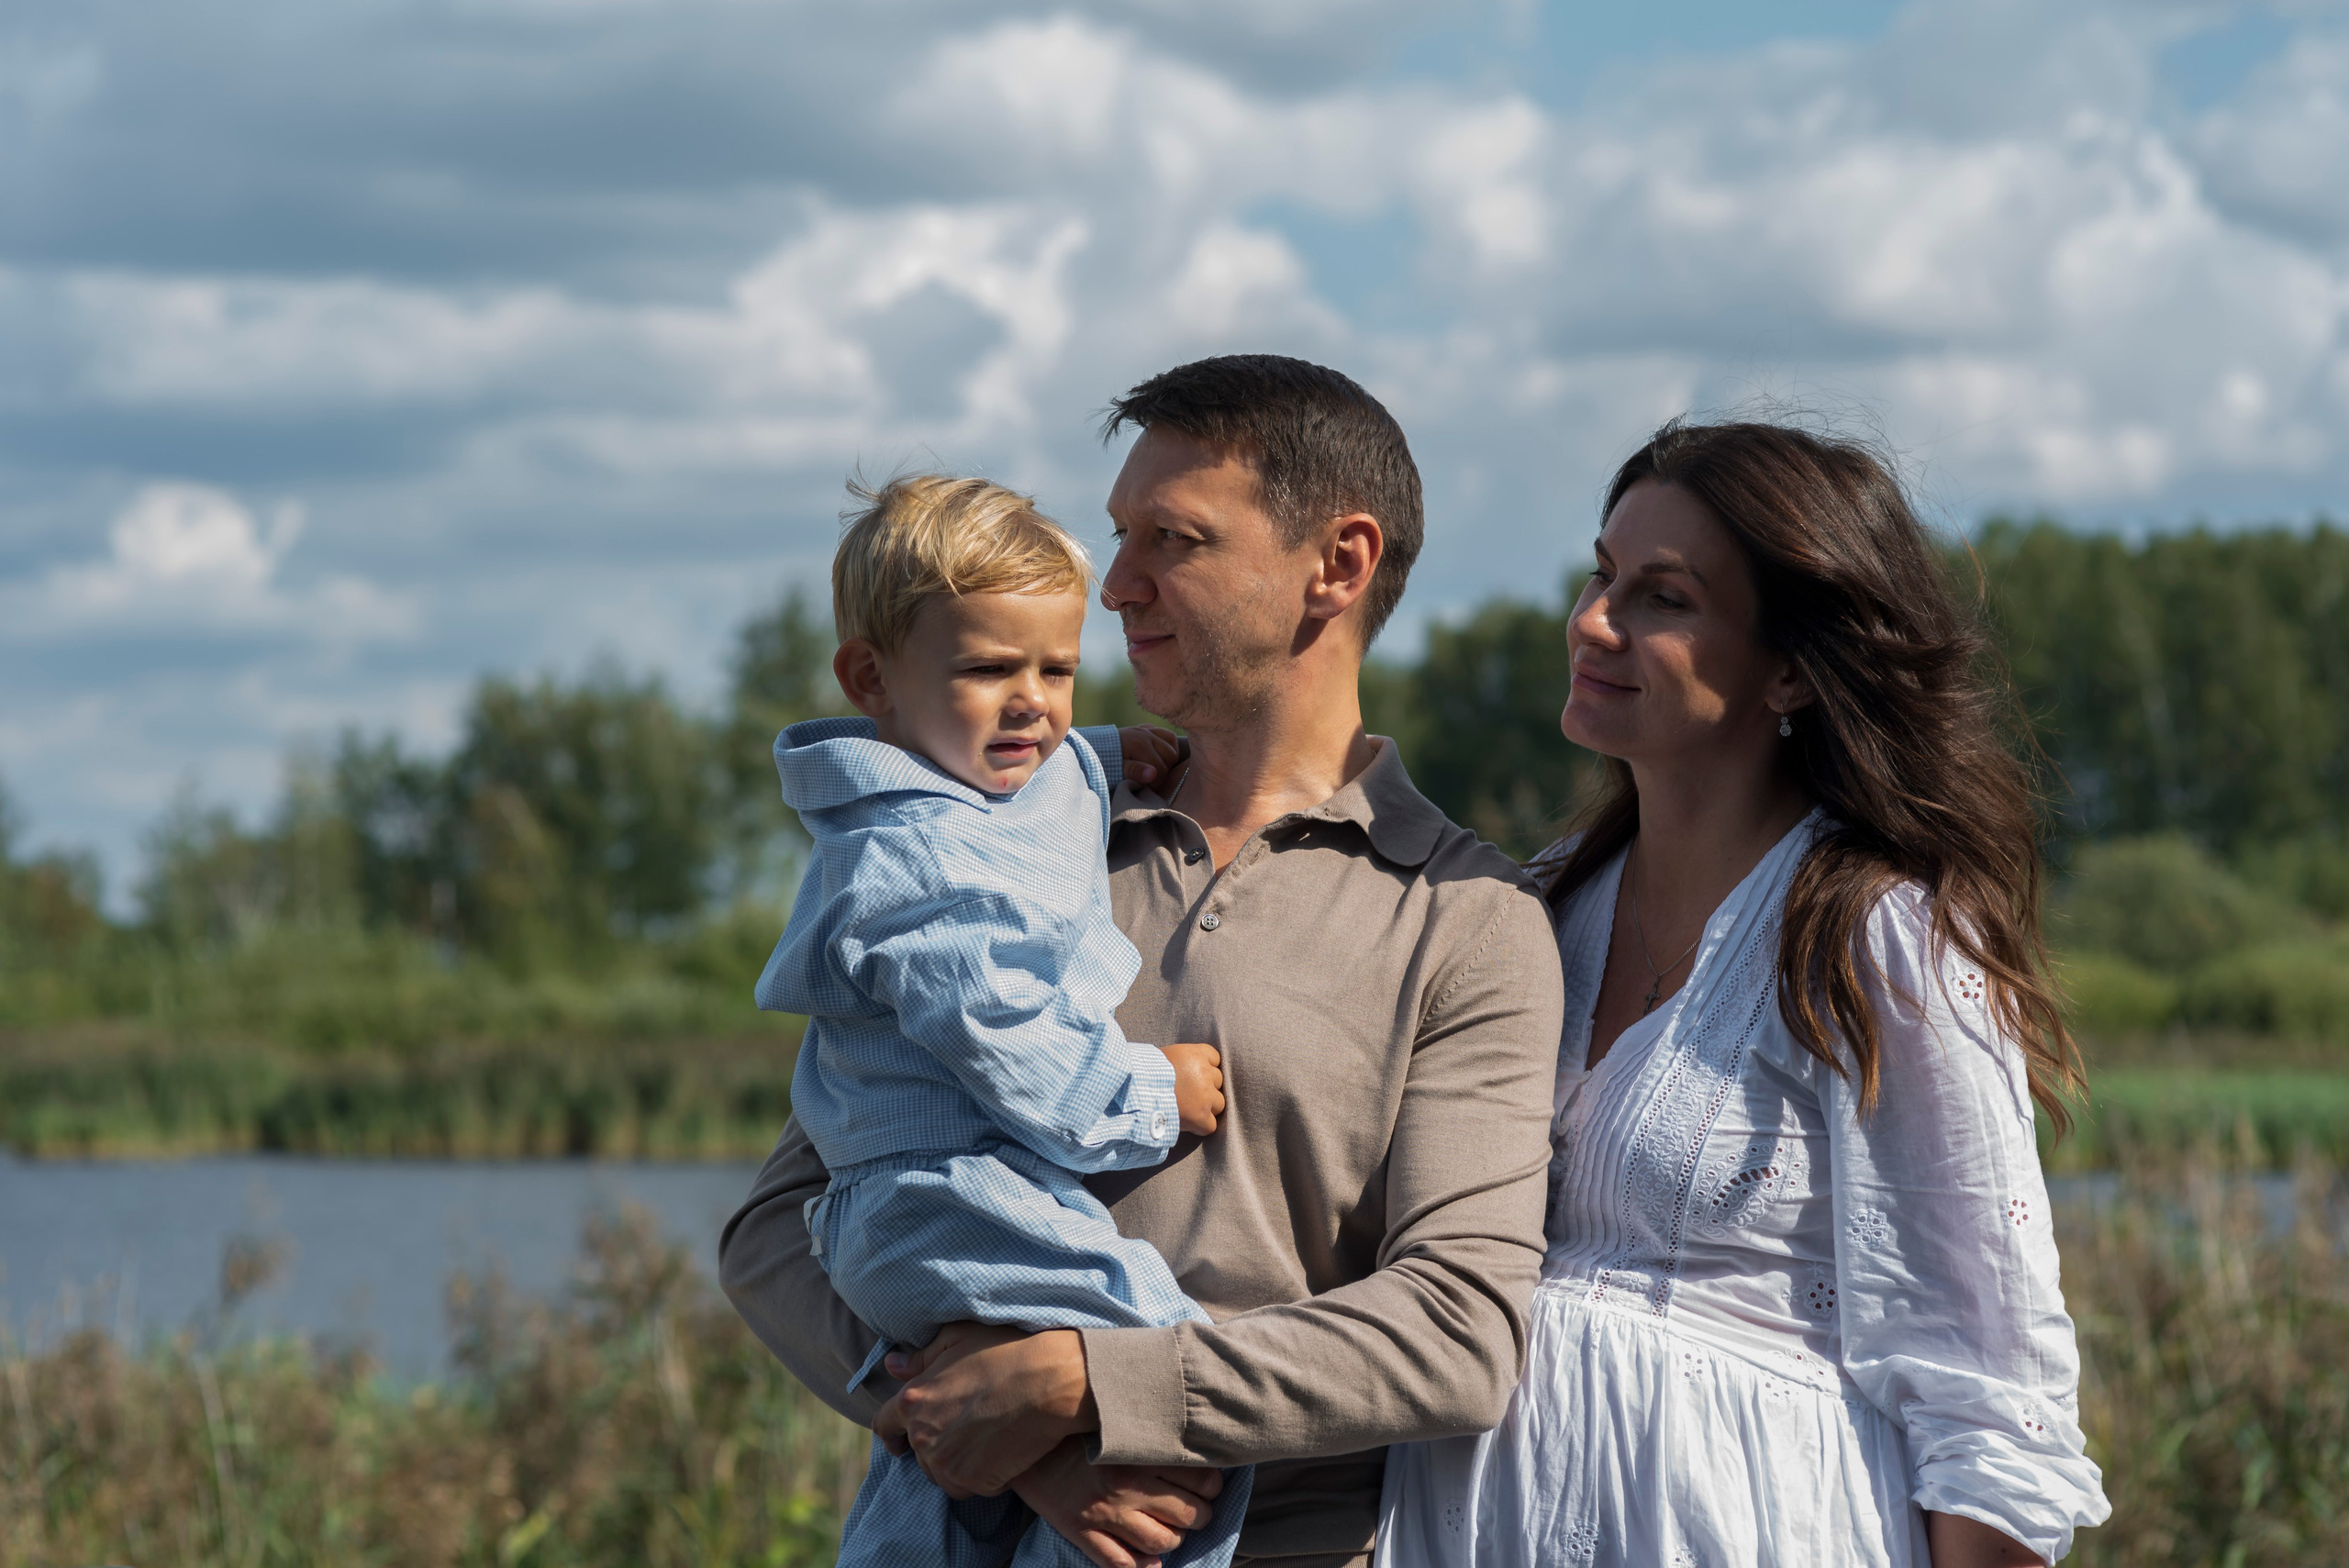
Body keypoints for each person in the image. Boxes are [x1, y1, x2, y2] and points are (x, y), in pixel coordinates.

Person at [721, 354, 1564, 1568]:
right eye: (1118, 537)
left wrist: (1094, 1386)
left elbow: (1457, 1333)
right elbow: (775, 1229)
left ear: (1339, 562)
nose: (1114, 587)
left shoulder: (1465, 917)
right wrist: (1008, 1445)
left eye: (1173, 540)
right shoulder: (983, 855)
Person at [1379, 419, 2112, 1567]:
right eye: (1600, 575)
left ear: (1788, 666)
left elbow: (1988, 1396)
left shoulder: (1880, 941)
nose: (1592, 621)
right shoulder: (1524, 917)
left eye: (1661, 596)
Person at [757, 473, 1250, 1566]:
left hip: (929, 1207)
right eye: (988, 668)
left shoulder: (984, 779)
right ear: (870, 679)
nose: (1032, 700)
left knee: (978, 1464)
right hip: (953, 1192)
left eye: (1058, 668)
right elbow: (1009, 1040)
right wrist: (1146, 1095)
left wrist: (1116, 758)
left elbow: (1046, 780)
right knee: (1174, 1385)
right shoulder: (915, 861)